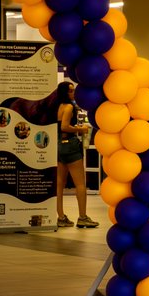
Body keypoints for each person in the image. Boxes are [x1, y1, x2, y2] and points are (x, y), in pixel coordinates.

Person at [55, 81, 97, 229]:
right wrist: (81, 129)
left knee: (59, 183)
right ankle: (83, 217)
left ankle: (60, 216)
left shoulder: (56, 107)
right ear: (65, 93)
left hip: (58, 145)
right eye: (71, 91)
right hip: (70, 145)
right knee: (80, 184)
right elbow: (65, 126)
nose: (73, 93)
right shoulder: (68, 107)